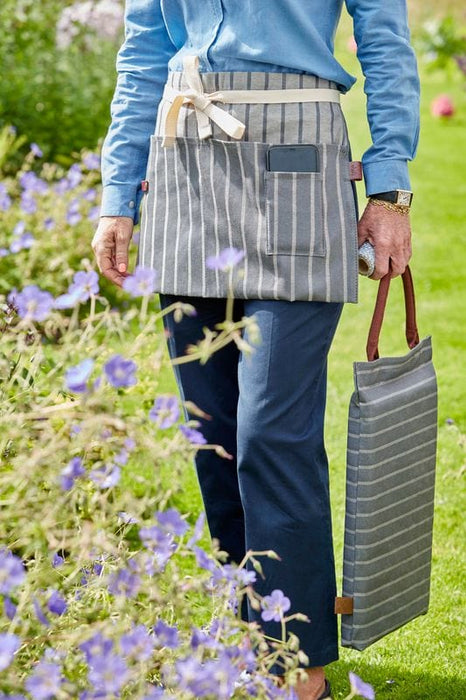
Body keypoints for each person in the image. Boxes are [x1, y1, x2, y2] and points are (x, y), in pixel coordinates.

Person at [92, 2, 420, 698]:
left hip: (299, 163)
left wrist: (389, 187)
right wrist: (117, 195)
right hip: (183, 168)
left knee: (273, 433)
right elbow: (144, 50)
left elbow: (385, 43)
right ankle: (250, 636)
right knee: (214, 438)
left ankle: (296, 662)